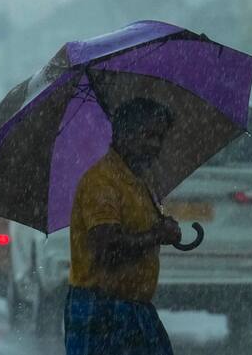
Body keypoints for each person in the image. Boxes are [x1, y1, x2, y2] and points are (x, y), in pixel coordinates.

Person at [65, 97, 182, 355]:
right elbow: (106, 248)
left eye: (160, 137)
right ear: (124, 134)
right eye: (148, 135)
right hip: (101, 309)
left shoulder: (137, 180)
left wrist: (161, 227)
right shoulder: (101, 182)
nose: (156, 145)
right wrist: (156, 235)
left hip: (135, 308)